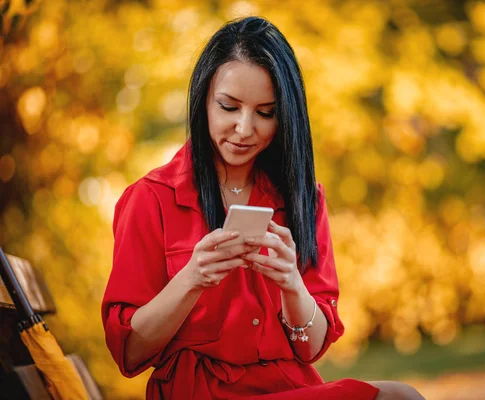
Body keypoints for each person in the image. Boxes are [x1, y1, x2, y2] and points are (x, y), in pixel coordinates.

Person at [101, 16, 425, 400]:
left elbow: (311, 348)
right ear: (203, 100)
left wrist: (291, 283)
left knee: (402, 397)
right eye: (228, 106)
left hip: (288, 387)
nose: (243, 128)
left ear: (285, 117)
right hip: (199, 390)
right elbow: (130, 354)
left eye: (265, 112)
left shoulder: (304, 198)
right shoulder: (151, 198)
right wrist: (191, 278)